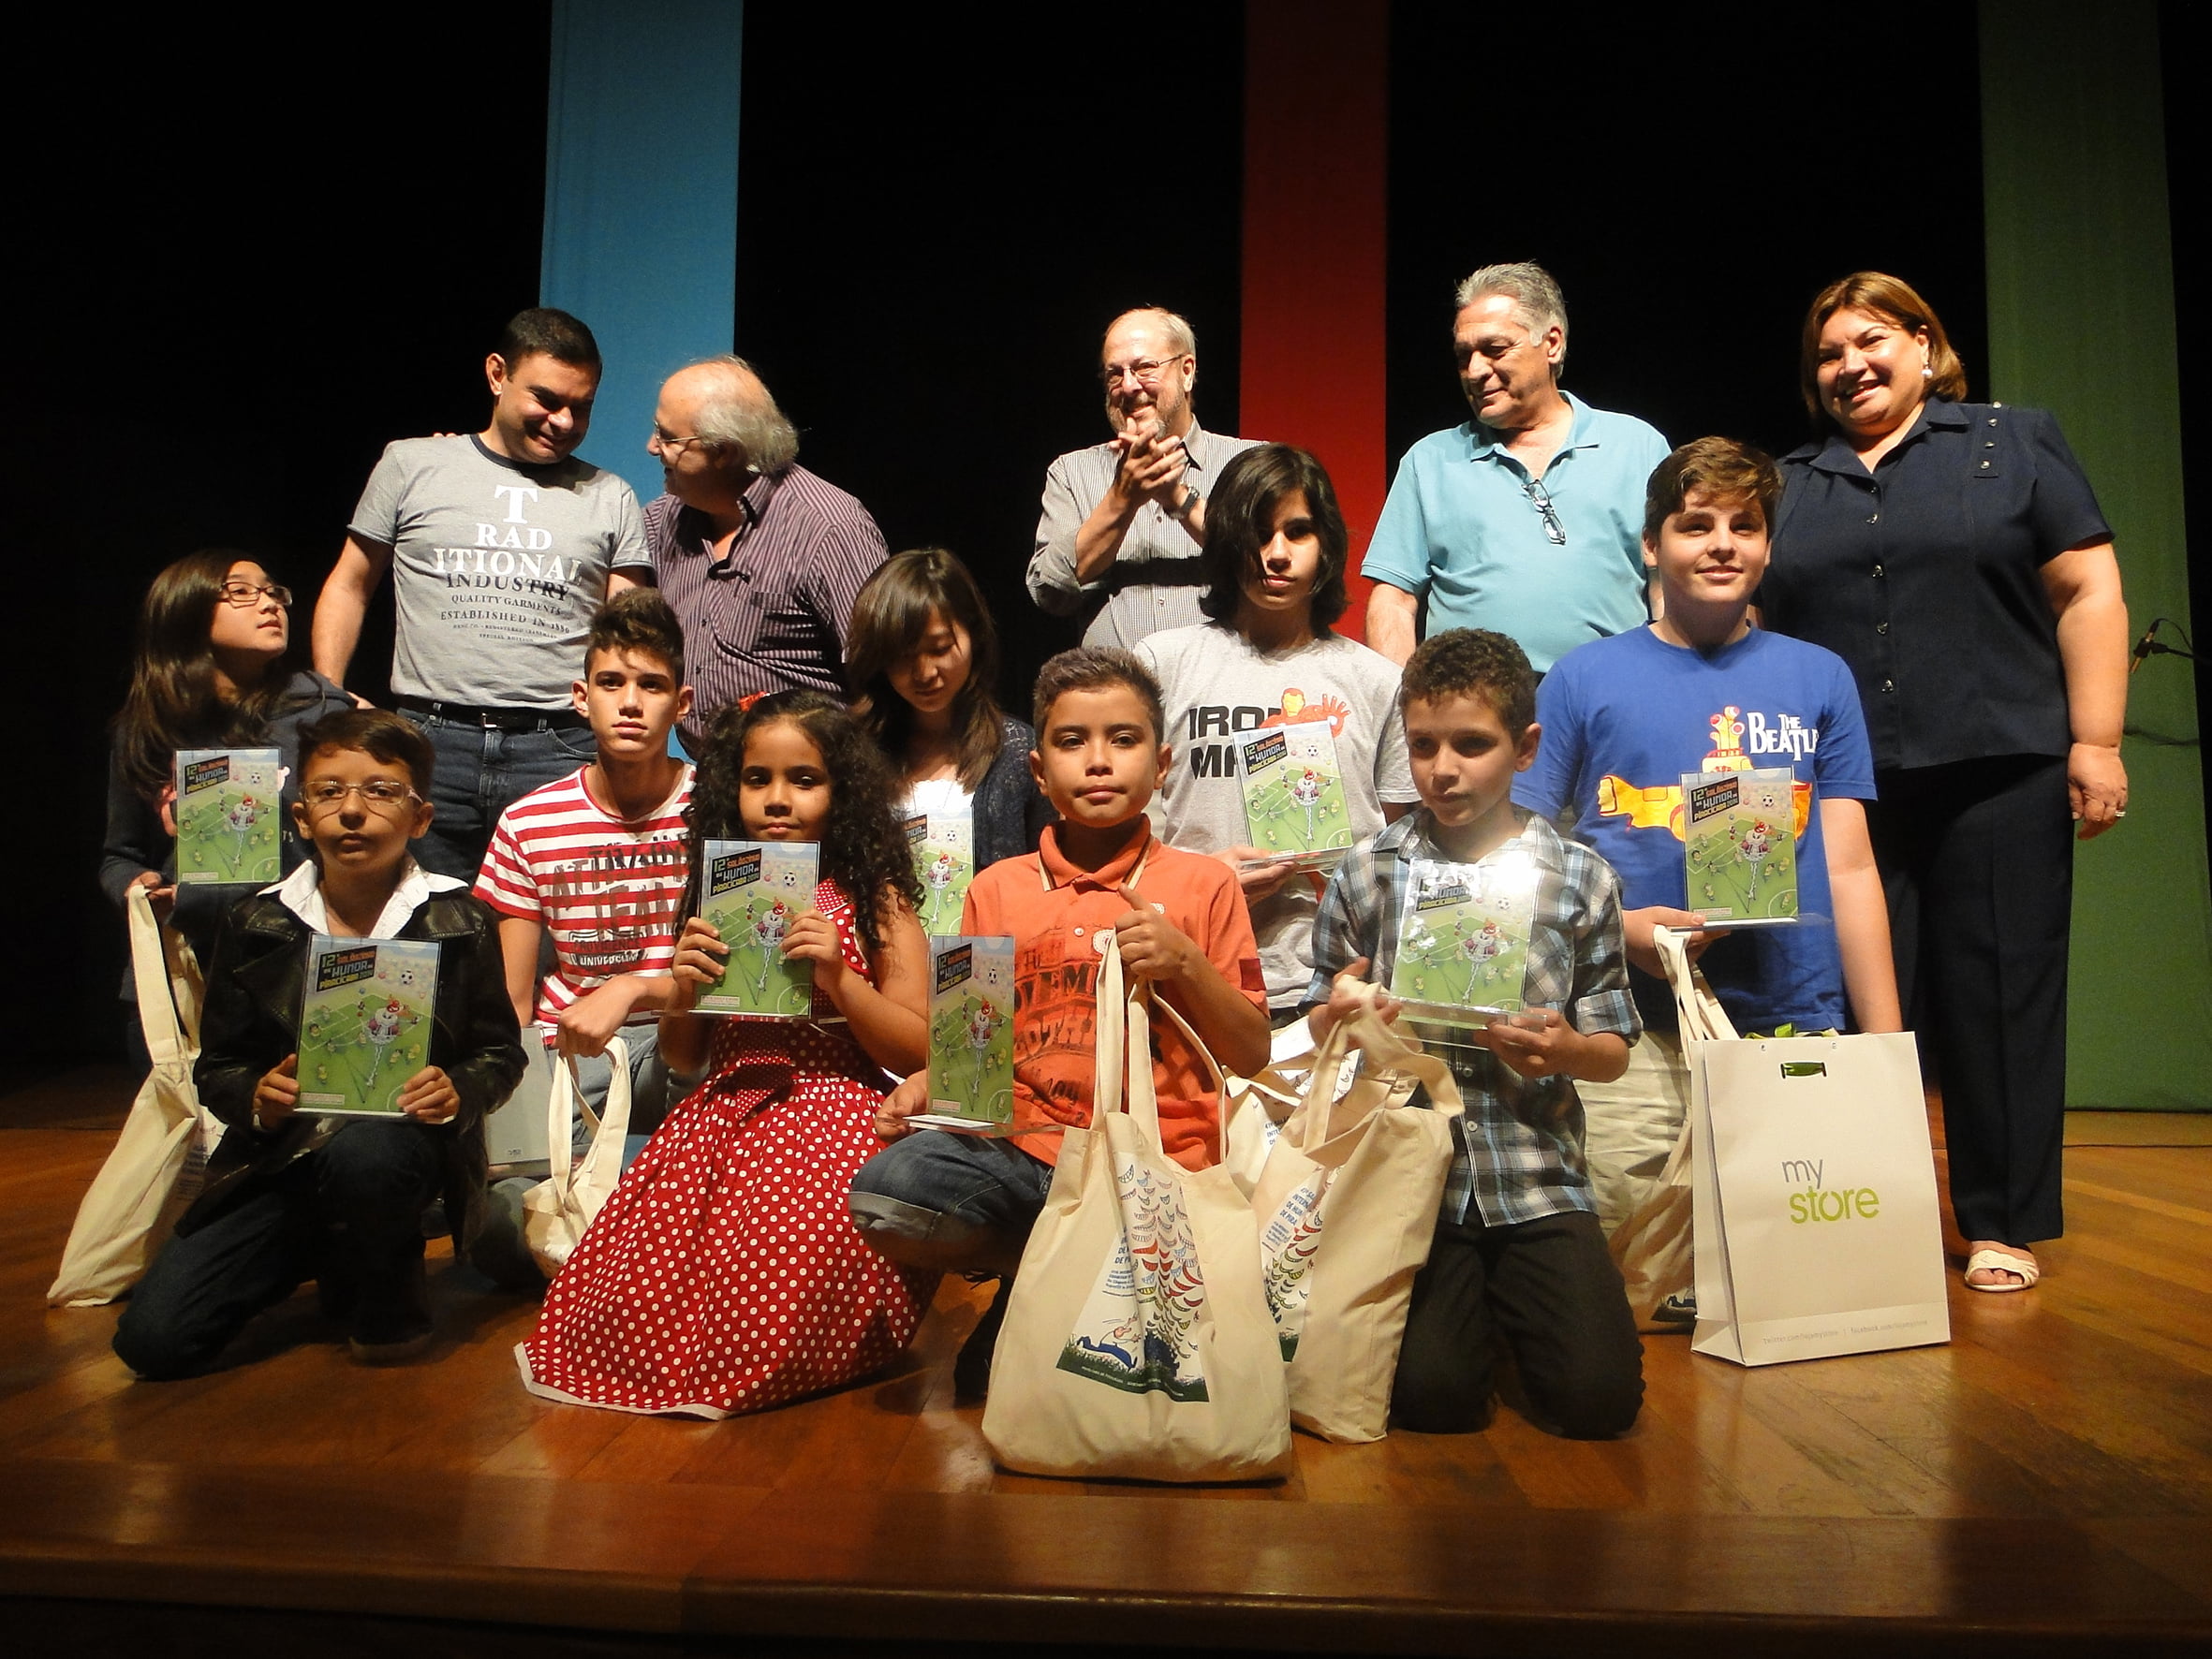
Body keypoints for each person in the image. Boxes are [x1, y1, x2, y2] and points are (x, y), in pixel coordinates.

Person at [1758, 273, 2129, 1294]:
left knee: (1999, 989)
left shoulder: (2012, 442)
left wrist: (2094, 739)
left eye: (1870, 340)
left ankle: (1999, 1220)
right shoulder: (1786, 483)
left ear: (1925, 345)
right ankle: (1846, 1206)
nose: (1849, 367)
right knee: (1837, 996)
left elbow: (2086, 584)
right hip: (1841, 789)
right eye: (1828, 354)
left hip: (1998, 766)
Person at [1516, 437, 1902, 1321]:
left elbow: (1850, 867)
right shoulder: (1583, 678)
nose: (1722, 543)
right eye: (1696, 525)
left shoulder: (1820, 677)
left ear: (1769, 545)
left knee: (1789, 1294)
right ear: (1652, 546)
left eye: (1745, 524)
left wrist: (1883, 1050)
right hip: (1633, 1032)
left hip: (1791, 1023)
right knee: (1639, 1299)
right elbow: (1528, 859)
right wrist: (1621, 930)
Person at [848, 648, 1271, 1397]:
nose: (1099, 761)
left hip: (1160, 1164)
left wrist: (1186, 966)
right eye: (1073, 742)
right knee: (891, 1189)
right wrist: (927, 1085)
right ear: (1040, 773)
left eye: (1124, 739)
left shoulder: (1205, 885)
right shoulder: (994, 889)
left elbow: (1251, 1050)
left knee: (1066, 1390)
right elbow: (968, 1063)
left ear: (1163, 762)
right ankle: (1044, 1271)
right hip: (1030, 1158)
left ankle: (1050, 1295)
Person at [517, 692, 933, 1417]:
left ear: (843, 791)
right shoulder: (718, 891)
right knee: (637, 1295)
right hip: (723, 1112)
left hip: (837, 1111)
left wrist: (838, 982)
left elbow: (924, 1042)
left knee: (781, 1275)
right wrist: (684, 983)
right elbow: (682, 1059)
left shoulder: (875, 895)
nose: (777, 800)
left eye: (804, 780)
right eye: (756, 779)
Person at [1302, 628, 1644, 1438]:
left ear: (1525, 748)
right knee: (1432, 1400)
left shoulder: (1578, 877)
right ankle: (1473, 1320)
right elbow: (1315, 1019)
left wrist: (1563, 1050)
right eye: (1423, 745)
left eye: (1472, 744)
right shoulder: (1368, 872)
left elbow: (1612, 1052)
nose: (1443, 769)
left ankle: (1513, 1304)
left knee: (1598, 1403)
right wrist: (1345, 1014)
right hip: (1410, 1174)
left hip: (1535, 1175)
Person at [112, 711, 526, 1377]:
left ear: (420, 817)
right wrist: (256, 1095)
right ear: (302, 817)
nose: (353, 811)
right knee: (153, 1342)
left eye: (381, 791)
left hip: (399, 1148)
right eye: (331, 792)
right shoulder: (257, 921)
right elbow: (220, 1064)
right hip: (283, 1159)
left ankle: (386, 1280)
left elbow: (500, 1053)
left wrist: (460, 1089)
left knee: (367, 1149)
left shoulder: (459, 918)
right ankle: (327, 1248)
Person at [312, 307, 652, 878]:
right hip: (428, 743)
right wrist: (329, 696)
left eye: (582, 406)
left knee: (553, 951)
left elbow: (629, 633)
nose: (563, 421)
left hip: (559, 748)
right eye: (546, 399)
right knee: (422, 943)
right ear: (498, 374)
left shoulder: (610, 494)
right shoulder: (412, 464)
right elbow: (349, 584)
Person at [1135, 444, 1418, 1022]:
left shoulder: (1376, 681)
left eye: (1298, 532)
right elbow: (1126, 831)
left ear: (1327, 543)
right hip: (1194, 970)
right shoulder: (1162, 663)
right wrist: (1204, 882)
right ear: (1227, 542)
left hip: (1335, 982)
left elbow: (1403, 845)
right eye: (1258, 534)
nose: (1278, 555)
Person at [473, 589, 696, 1162]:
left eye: (651, 686)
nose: (630, 703)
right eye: (611, 683)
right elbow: (512, 999)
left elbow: (740, 979)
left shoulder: (715, 809)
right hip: (572, 1050)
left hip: (686, 1037)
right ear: (581, 697)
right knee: (516, 1200)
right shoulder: (530, 821)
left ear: (681, 704)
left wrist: (634, 987)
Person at [1362, 262, 1670, 672]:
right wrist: (1401, 712)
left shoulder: (1637, 446)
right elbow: (1394, 600)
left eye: (1494, 349)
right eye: (1463, 355)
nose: (1474, 371)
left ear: (1553, 344)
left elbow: (1667, 584)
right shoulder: (1430, 460)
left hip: (1609, 699)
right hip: (1470, 708)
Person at [102, 550, 354, 1019]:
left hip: (294, 966)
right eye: (241, 592)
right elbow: (120, 854)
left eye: (274, 592)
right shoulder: (150, 727)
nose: (270, 603)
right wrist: (139, 888)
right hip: (187, 967)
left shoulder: (321, 713)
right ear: (185, 609)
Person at [643, 356, 888, 748]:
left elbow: (881, 679)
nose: (652, 447)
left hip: (811, 780)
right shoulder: (660, 523)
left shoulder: (828, 526)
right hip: (712, 782)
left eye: (668, 437)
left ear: (723, 452)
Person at [1025, 308, 1262, 649]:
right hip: (1112, 693)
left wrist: (1178, 497)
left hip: (1220, 696)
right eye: (1114, 374)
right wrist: (1123, 498)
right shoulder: (1071, 473)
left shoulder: (1249, 462)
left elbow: (1267, 565)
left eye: (1144, 368)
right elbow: (1048, 591)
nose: (1129, 386)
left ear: (1186, 372)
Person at [846, 549, 1053, 914]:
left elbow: (1050, 882)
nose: (924, 673)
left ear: (973, 633)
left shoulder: (1019, 753)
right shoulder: (853, 756)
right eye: (902, 656)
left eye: (940, 648)